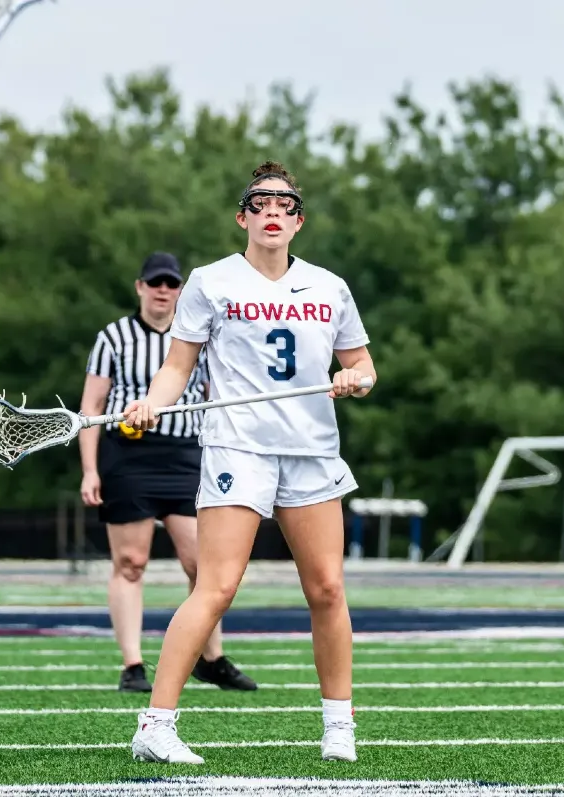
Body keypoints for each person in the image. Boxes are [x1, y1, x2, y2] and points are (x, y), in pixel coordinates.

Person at [122, 161, 376, 765]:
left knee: (328, 588)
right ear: (243, 217)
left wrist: (354, 380)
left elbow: (364, 366)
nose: (271, 212)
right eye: (260, 203)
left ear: (298, 221)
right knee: (216, 587)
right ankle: (155, 725)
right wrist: (151, 404)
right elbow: (177, 369)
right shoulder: (211, 282)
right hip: (240, 447)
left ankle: (339, 726)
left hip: (312, 450)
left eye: (284, 205)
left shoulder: (329, 287)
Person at [79, 252, 257, 694]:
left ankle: (211, 658)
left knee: (203, 563)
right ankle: (132, 664)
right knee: (131, 562)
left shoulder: (197, 335)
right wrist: (89, 470)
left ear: (180, 290)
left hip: (187, 455)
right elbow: (91, 407)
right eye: (155, 283)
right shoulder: (114, 337)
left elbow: (221, 394)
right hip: (130, 457)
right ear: (140, 287)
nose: (163, 291)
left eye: (171, 284)